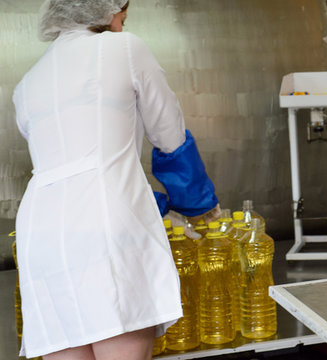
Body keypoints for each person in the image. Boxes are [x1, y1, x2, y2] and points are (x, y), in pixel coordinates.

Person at [12, 1, 220, 358]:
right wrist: (199, 206)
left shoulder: (27, 82)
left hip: (41, 239)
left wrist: (150, 205)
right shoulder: (124, 48)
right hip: (106, 232)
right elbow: (169, 138)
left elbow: (72, 166)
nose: (123, 25)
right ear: (107, 11)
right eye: (123, 17)